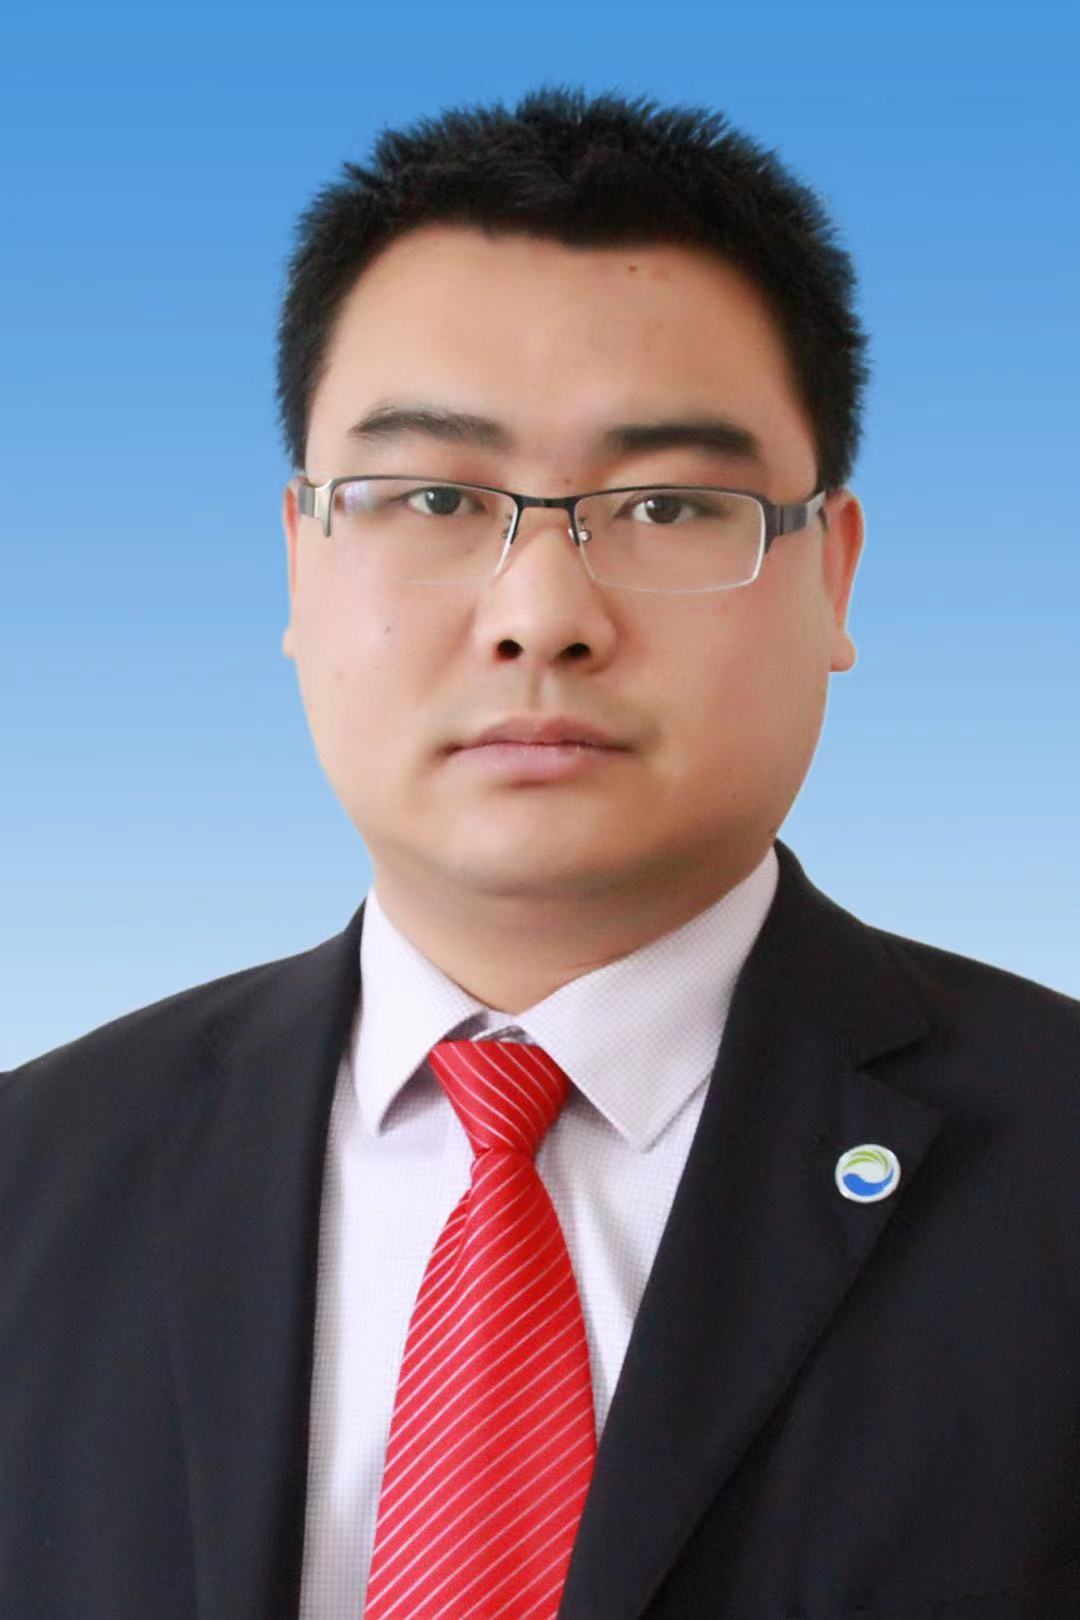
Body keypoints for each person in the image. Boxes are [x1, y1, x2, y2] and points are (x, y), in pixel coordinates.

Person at [2, 84, 1078, 1620]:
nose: (541, 616)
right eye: (435, 496)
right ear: (300, 558)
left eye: (667, 505)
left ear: (832, 574)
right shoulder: (34, 1178)